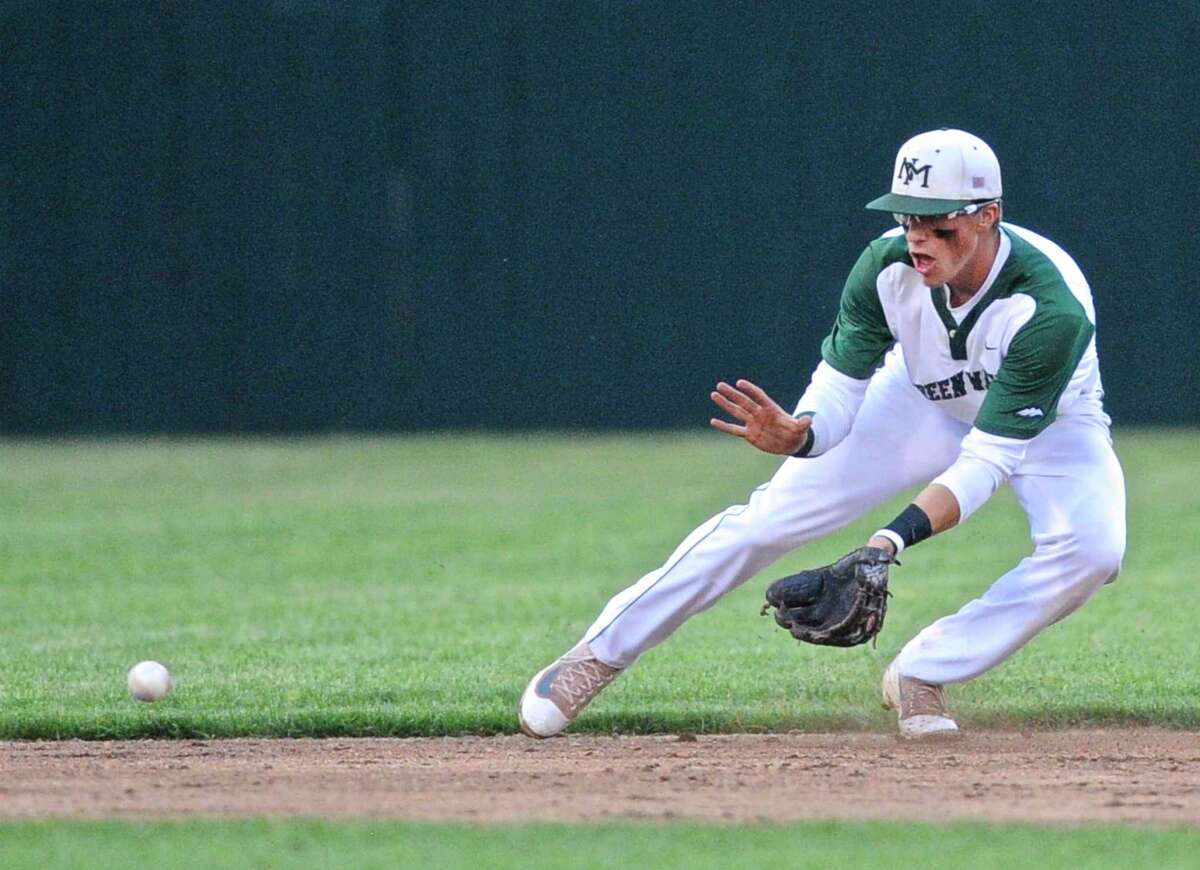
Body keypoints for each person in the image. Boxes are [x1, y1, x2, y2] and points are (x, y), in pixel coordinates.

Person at [518, 128, 1125, 739]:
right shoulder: (887, 265)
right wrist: (802, 434)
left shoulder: (1048, 308)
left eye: (940, 225)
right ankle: (594, 657)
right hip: (919, 399)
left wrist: (887, 543)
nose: (919, 237)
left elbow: (987, 462)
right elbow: (840, 386)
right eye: (910, 217)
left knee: (1092, 549)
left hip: (1047, 420)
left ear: (989, 216)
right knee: (769, 520)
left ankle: (923, 670)